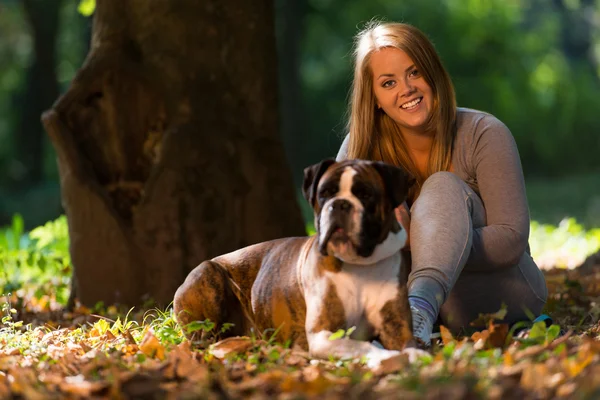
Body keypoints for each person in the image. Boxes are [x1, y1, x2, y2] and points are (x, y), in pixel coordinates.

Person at [335, 21, 548, 347]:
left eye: (415, 72)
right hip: (404, 303)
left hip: (502, 291)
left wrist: (410, 240)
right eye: (388, 82)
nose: (406, 88)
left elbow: (510, 239)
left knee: (442, 187)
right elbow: (342, 243)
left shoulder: (484, 133)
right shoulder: (358, 149)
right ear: (375, 97)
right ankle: (414, 318)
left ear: (433, 74)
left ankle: (418, 311)